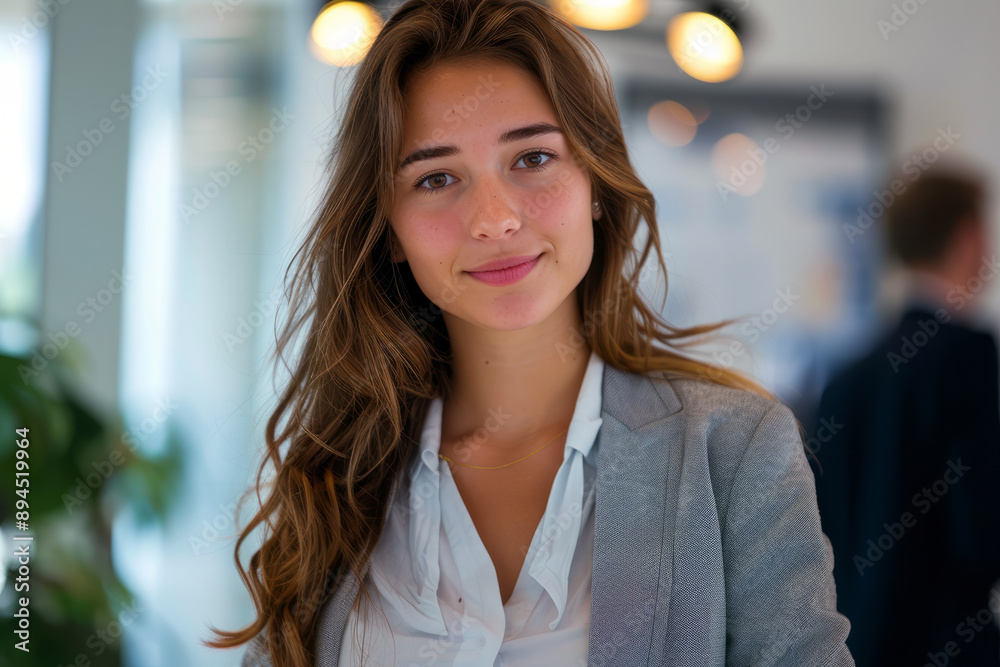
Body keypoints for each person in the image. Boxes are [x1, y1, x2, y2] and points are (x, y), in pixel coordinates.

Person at [207, 0, 855, 665]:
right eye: (436, 177)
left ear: (595, 184)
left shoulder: (733, 451)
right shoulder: (336, 475)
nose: (494, 218)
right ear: (389, 230)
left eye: (533, 158)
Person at [809, 166, 1000, 666]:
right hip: (951, 642)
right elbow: (979, 531)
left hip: (858, 645)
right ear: (968, 237)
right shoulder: (968, 357)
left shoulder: (845, 379)